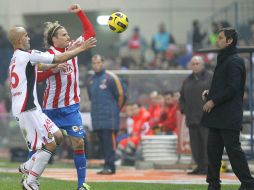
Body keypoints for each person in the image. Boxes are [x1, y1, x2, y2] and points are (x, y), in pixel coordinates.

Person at [7, 26, 96, 190]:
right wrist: (82, 48)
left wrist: (50, 68)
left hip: (31, 108)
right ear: (19, 40)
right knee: (50, 145)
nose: (29, 38)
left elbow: (39, 67)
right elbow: (59, 58)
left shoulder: (17, 58)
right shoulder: (28, 54)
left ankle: (28, 166)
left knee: (57, 137)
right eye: (26, 36)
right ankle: (31, 181)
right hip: (28, 108)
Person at [36, 4, 96, 190]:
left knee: (78, 142)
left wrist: (79, 12)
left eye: (68, 34)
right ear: (54, 38)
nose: (68, 37)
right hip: (51, 109)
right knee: (44, 144)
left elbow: (90, 32)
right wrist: (52, 69)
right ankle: (31, 177)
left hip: (71, 108)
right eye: (63, 34)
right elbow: (37, 78)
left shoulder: (73, 47)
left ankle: (81, 184)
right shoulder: (47, 56)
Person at [201, 28, 254, 190]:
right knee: (213, 152)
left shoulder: (235, 61)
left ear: (229, 41)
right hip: (218, 116)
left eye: (220, 38)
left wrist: (213, 101)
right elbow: (225, 86)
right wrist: (210, 93)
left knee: (234, 152)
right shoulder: (224, 59)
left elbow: (233, 88)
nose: (217, 40)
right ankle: (213, 184)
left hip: (229, 116)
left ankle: (248, 183)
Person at [87, 54, 127, 174]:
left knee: (110, 144)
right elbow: (91, 98)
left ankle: (111, 166)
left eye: (98, 62)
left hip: (110, 118)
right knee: (102, 144)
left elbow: (122, 96)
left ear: (103, 63)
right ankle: (106, 165)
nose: (96, 65)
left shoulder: (111, 78)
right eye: (94, 63)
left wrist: (115, 110)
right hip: (97, 118)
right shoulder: (90, 80)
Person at [179, 56, 212, 175]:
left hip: (206, 118)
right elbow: (181, 97)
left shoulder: (210, 78)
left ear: (202, 64)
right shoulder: (187, 80)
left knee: (207, 143)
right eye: (193, 64)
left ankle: (209, 167)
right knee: (195, 145)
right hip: (191, 118)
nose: (195, 65)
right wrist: (183, 109)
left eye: (198, 63)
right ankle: (200, 166)